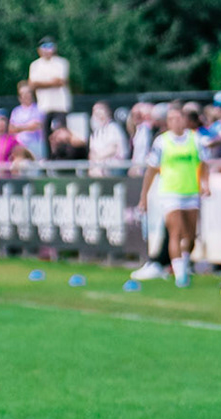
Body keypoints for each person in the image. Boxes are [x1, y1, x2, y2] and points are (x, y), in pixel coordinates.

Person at [139, 105, 209, 288]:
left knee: (191, 236)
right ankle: (180, 276)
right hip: (170, 193)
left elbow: (203, 164)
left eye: (178, 118)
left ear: (184, 120)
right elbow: (151, 171)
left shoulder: (195, 140)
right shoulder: (161, 142)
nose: (175, 122)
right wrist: (144, 196)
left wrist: (205, 184)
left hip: (191, 192)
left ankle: (183, 264)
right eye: (171, 119)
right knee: (175, 232)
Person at [28, 38, 71, 119]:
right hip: (44, 106)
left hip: (60, 106)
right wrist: (51, 82)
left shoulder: (61, 63)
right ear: (39, 50)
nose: (47, 50)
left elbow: (59, 82)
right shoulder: (35, 65)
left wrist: (40, 83)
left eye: (50, 47)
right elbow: (32, 85)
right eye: (44, 47)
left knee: (60, 130)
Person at [88, 101, 130, 174]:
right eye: (94, 112)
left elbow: (112, 149)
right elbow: (92, 152)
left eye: (99, 111)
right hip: (99, 170)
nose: (96, 115)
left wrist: (98, 160)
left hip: (115, 169)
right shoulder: (95, 133)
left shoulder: (113, 128)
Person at [9, 82, 45, 159]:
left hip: (36, 145)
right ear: (20, 97)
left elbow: (38, 126)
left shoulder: (40, 109)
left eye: (28, 92)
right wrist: (28, 127)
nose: (26, 95)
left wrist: (19, 128)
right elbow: (11, 129)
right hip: (21, 147)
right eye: (23, 93)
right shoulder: (16, 111)